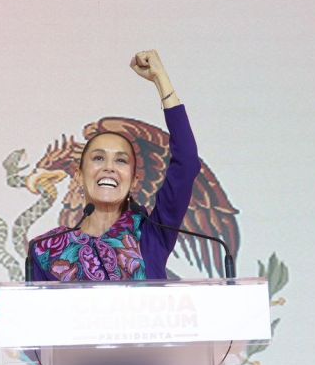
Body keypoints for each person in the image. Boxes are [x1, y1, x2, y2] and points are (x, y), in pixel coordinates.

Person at [29, 50, 200, 282]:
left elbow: (187, 163)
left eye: (121, 160)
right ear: (78, 175)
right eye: (98, 158)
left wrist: (161, 80)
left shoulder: (150, 234)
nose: (109, 167)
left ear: (134, 180)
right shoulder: (45, 250)